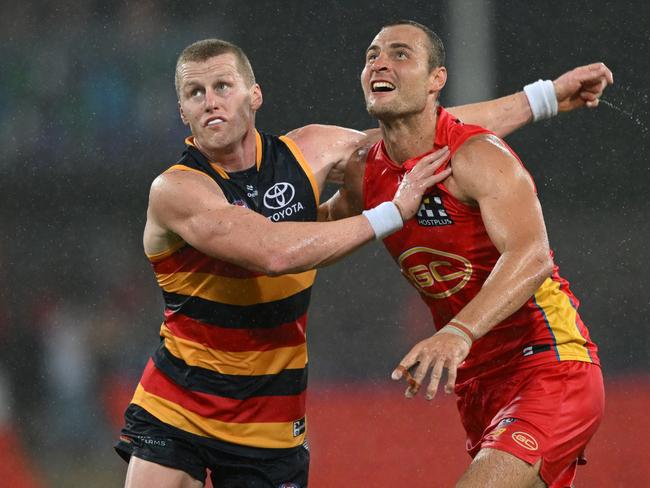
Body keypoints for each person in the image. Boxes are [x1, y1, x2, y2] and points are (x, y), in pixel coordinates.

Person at [115, 37, 612, 488]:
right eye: (196, 93)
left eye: (222, 86)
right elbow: (274, 252)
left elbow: (425, 128)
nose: (211, 101)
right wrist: (391, 213)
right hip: (180, 402)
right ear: (182, 110)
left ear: (254, 95)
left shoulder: (310, 150)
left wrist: (545, 97)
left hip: (272, 417)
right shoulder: (177, 188)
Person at [325, 21, 612, 488]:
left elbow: (532, 256)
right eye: (372, 55)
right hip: (477, 385)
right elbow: (321, 233)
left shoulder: (477, 155)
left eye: (400, 54)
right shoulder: (365, 170)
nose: (379, 62)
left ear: (436, 80)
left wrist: (457, 332)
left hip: (548, 364)